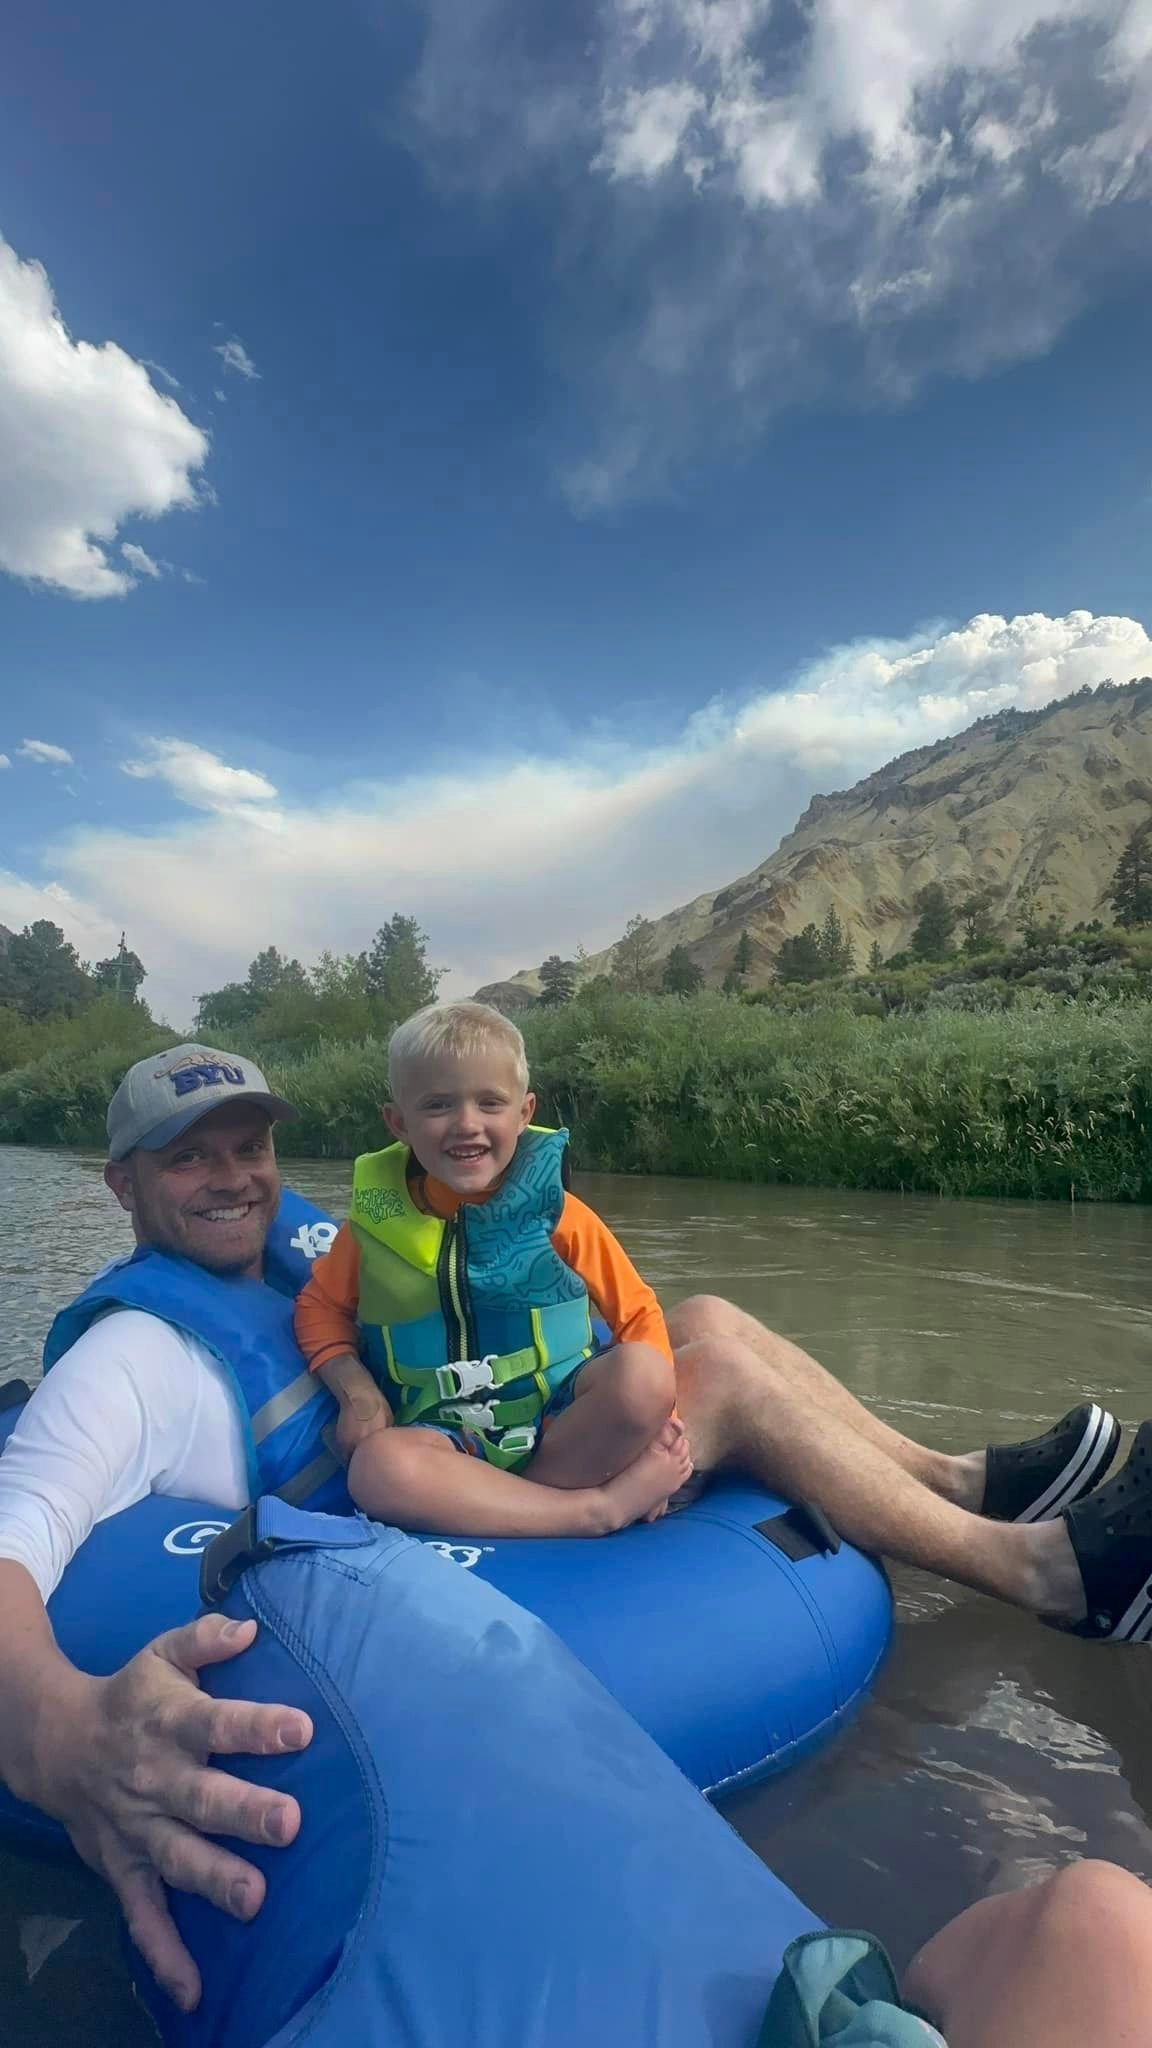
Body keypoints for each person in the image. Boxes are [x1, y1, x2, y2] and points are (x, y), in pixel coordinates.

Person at [1, 1041, 1151, 2013]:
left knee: (697, 1317)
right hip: (443, 1532)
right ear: (121, 1184)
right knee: (711, 1377)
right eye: (187, 1155)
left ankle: (966, 1479)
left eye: (246, 1146)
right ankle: (1043, 1575)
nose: (233, 1177)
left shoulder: (295, 1256)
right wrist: (59, 1738)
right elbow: (13, 1539)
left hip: (464, 1454)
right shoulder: (131, 1358)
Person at [293, 1002, 692, 1536]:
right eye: (437, 1105)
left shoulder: (563, 1216)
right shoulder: (371, 1228)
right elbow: (319, 1309)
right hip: (443, 1435)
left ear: (524, 1113)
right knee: (376, 1467)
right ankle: (595, 1510)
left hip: (558, 1416)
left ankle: (528, 1503)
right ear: (398, 1122)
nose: (466, 1125)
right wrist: (357, 1392)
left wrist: (660, 1425)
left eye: (490, 1103)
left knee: (644, 1375)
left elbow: (637, 1313)